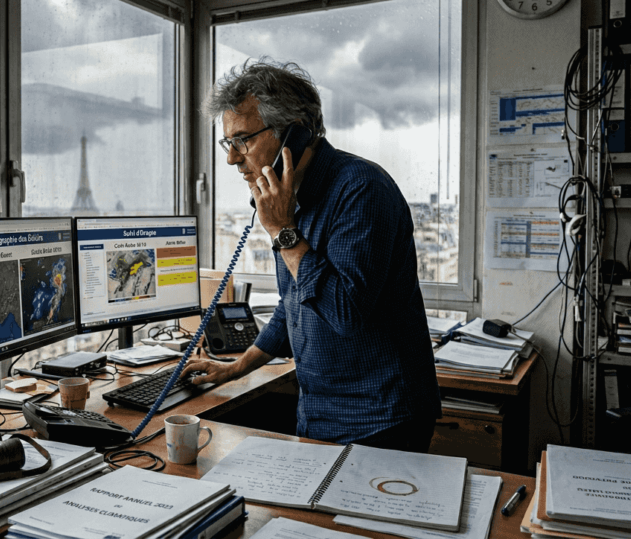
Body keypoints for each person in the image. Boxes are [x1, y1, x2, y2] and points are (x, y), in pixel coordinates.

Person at [183, 58, 441, 452]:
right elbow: (294, 306)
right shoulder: (290, 200)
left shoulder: (361, 191)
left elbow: (345, 312)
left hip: (379, 420)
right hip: (319, 413)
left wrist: (281, 231)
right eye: (227, 143)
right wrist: (235, 368)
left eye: (243, 141)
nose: (233, 158)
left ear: (295, 134)